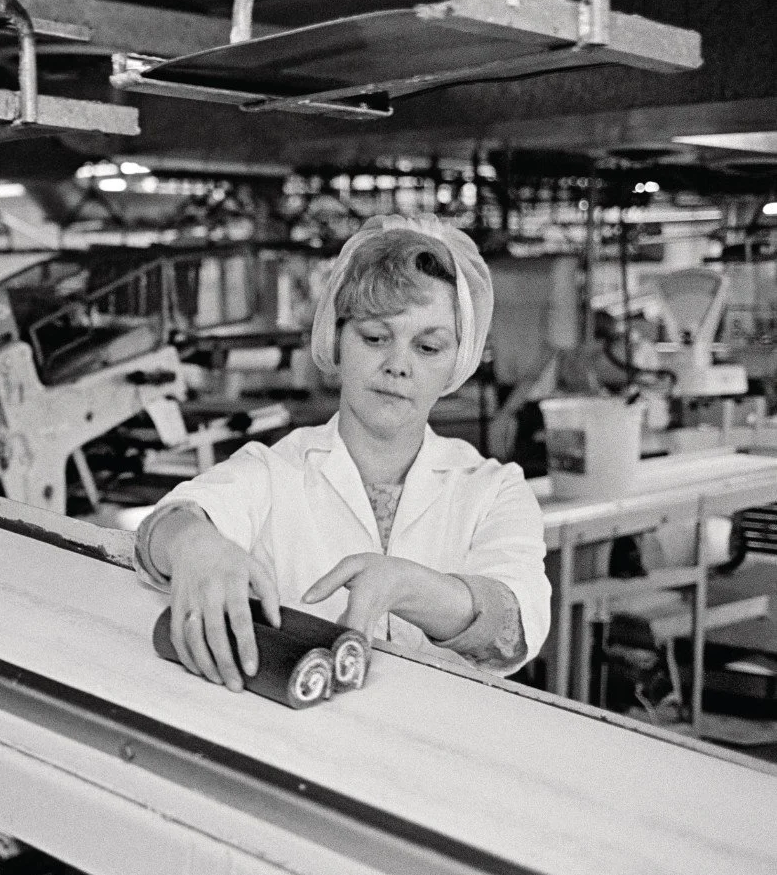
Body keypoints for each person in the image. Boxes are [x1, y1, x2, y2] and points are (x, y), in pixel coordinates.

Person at [135, 215, 551, 689]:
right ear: (336, 337)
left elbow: (514, 630)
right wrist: (193, 545)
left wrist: (410, 587)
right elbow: (163, 529)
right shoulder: (274, 472)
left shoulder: (492, 489)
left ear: (458, 360)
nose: (398, 365)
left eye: (428, 347)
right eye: (375, 338)